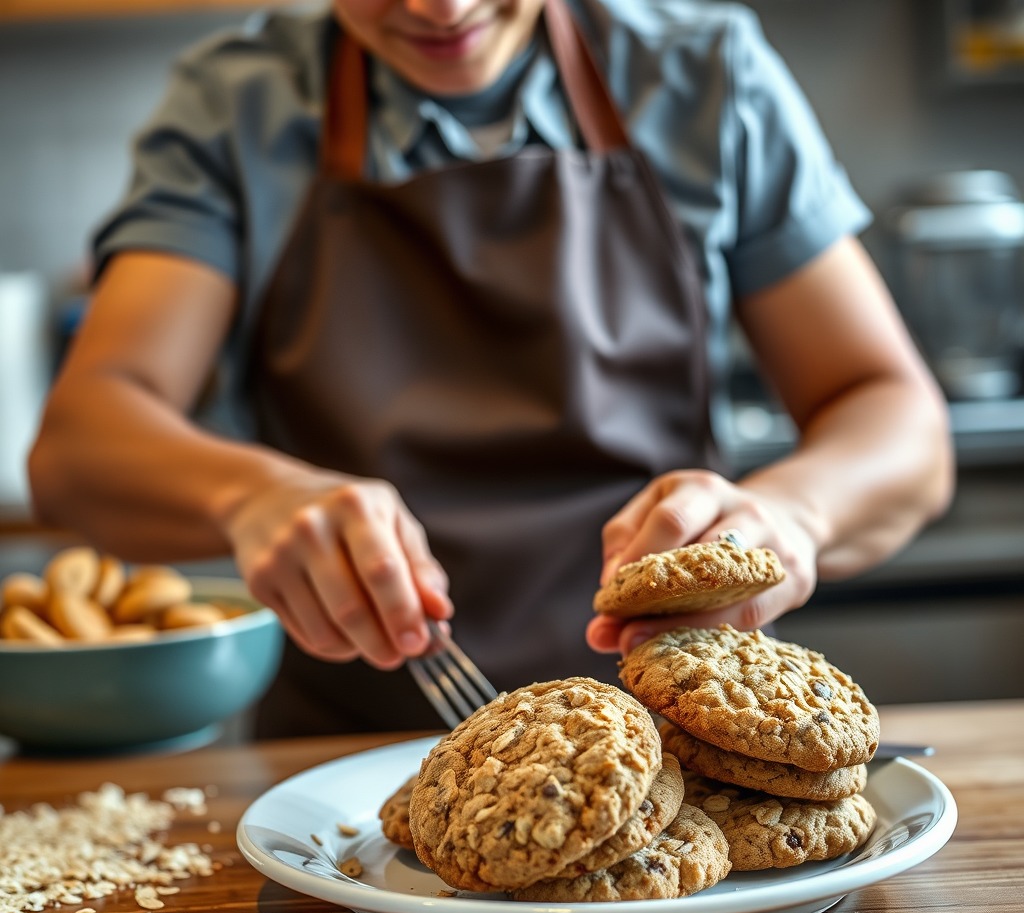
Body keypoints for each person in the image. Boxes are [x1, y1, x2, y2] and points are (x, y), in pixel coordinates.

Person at [28, 0, 955, 736]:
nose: (443, 9)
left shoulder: (705, 76)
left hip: (680, 728)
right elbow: (81, 443)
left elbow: (894, 416)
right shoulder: (238, 106)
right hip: (341, 753)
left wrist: (790, 516)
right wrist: (250, 496)